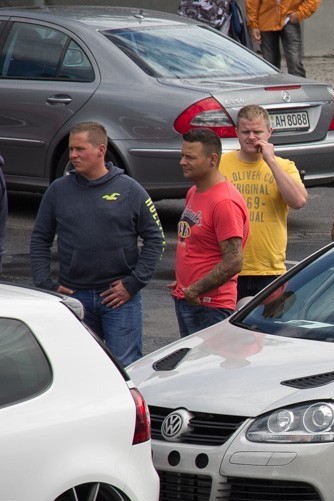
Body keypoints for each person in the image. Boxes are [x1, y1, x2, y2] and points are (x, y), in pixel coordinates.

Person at [29, 122, 164, 366]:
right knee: (78, 367)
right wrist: (45, 284)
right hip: (74, 298)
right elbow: (40, 238)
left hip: (119, 299)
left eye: (80, 149)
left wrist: (133, 284)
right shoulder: (58, 191)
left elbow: (156, 239)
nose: (73, 155)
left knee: (126, 368)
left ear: (101, 150)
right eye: (71, 149)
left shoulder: (130, 190)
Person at [221, 104, 308, 300]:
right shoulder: (221, 164)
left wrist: (271, 161)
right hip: (228, 268)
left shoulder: (284, 166)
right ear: (236, 132)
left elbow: (298, 201)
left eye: (257, 132)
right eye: (246, 132)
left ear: (269, 132)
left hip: (269, 270)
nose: (251, 137)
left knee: (268, 320)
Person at [172, 128, 250, 337]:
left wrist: (195, 289)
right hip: (189, 299)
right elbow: (195, 243)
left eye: (190, 157)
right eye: (182, 155)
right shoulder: (194, 192)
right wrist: (183, 282)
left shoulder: (224, 202)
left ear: (212, 159)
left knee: (206, 359)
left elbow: (233, 261)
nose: (182, 162)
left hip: (209, 306)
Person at [246, 0, 319, 77]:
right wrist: (254, 25)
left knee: (294, 63)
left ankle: (299, 83)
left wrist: (300, 14)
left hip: (289, 19)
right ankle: (273, 83)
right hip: (266, 20)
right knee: (270, 65)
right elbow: (252, 2)